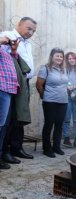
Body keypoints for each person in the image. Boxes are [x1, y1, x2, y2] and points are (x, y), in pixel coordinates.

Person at [0, 17, 37, 160]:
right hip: (8, 83)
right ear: (19, 25)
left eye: (33, 30)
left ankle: (16, 148)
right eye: (29, 28)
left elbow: (16, 58)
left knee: (19, 116)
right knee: (8, 118)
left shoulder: (27, 44)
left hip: (23, 82)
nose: (31, 32)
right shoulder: (8, 35)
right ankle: (5, 151)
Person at [36, 48, 68, 158]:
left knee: (59, 125)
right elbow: (39, 84)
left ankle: (56, 147)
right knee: (49, 123)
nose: (59, 58)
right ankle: (47, 148)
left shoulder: (64, 69)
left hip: (63, 101)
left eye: (61, 56)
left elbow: (66, 84)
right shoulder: (45, 68)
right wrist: (44, 96)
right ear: (52, 57)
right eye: (57, 56)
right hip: (50, 101)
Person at [0, 36, 20, 169]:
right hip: (1, 88)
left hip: (9, 90)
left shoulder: (5, 52)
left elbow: (14, 61)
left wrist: (13, 51)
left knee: (3, 126)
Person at [62, 52, 76, 147]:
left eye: (73, 58)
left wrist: (73, 87)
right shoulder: (65, 71)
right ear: (67, 60)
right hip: (67, 96)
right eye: (69, 58)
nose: (71, 60)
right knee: (66, 118)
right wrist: (69, 87)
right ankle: (66, 139)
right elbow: (64, 83)